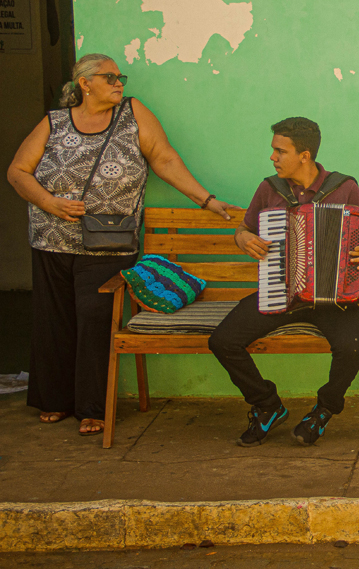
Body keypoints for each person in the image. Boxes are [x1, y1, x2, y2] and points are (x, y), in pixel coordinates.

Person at [7, 53, 237, 436]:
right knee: (54, 320)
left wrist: (206, 200)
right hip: (52, 239)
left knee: (96, 319)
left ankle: (94, 406)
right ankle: (54, 400)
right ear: (85, 83)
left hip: (110, 241)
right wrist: (49, 202)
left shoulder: (132, 113)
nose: (119, 83)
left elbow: (164, 158)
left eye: (120, 77)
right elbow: (18, 171)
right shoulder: (55, 122)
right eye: (110, 77)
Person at [208, 117, 359, 447]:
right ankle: (267, 405)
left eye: (280, 151)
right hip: (280, 291)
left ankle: (324, 410)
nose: (272, 157)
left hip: (334, 297)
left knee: (351, 348)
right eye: (273, 150)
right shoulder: (270, 189)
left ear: (305, 155)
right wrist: (243, 239)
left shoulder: (344, 188)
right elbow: (244, 229)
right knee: (223, 341)